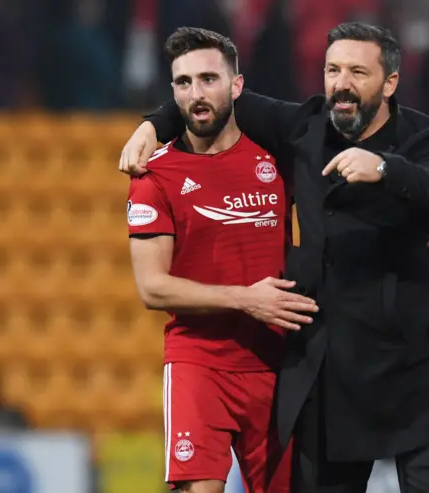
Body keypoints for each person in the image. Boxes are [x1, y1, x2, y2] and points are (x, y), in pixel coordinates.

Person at [121, 23, 429, 493]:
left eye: (358, 72)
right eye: (332, 70)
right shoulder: (305, 127)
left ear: (390, 83)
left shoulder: (425, 137)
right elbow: (213, 93)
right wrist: (151, 125)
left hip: (420, 378)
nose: (341, 83)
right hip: (335, 380)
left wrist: (386, 169)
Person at [127, 28, 322, 493]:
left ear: (237, 86)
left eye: (209, 79)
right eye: (183, 82)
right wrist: (245, 300)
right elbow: (152, 288)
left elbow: (350, 200)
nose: (196, 94)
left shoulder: (278, 160)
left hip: (276, 365)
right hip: (199, 362)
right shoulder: (154, 173)